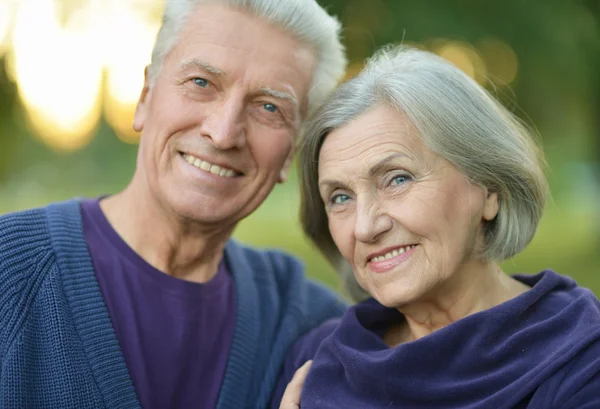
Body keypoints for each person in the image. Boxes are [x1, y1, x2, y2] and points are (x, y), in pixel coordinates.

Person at [0, 1, 349, 408]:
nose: (222, 133)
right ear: (146, 96)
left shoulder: (310, 329)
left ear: (291, 154)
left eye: (269, 107)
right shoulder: (10, 271)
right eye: (201, 83)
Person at [272, 45, 600, 408]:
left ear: (489, 189)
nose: (364, 228)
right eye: (340, 197)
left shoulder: (582, 359)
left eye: (397, 179)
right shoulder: (316, 359)